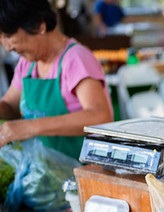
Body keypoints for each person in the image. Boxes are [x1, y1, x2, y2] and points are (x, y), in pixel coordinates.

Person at [0, 0, 113, 160]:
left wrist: (31, 127)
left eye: (9, 35)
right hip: (44, 173)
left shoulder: (76, 59)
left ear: (39, 25)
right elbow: (10, 106)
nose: (7, 47)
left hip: (80, 172)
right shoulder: (27, 64)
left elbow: (100, 116)